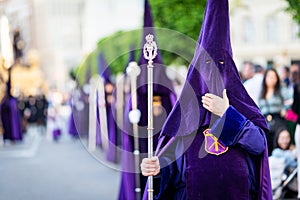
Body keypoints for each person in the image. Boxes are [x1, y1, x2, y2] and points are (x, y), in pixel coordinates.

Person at [140, 0, 272, 199]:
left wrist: (227, 114)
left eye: (220, 65)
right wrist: (157, 169)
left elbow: (258, 145)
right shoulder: (186, 117)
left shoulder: (242, 107)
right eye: (207, 66)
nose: (214, 75)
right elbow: (168, 168)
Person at [258, 68, 287, 155]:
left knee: (279, 143)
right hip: (266, 121)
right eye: (269, 77)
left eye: (274, 77)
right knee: (268, 144)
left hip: (278, 119)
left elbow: (290, 100)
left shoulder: (281, 89)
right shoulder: (262, 92)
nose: (271, 79)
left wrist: (285, 108)